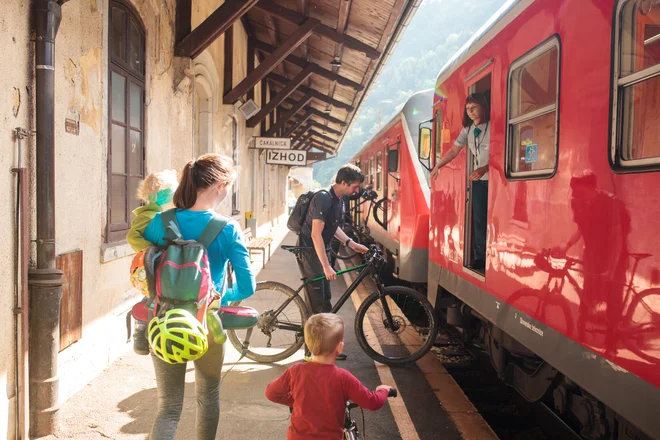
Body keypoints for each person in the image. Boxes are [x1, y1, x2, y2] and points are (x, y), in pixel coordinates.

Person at [141, 153, 256, 440]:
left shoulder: (160, 222)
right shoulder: (228, 228)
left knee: (167, 406)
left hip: (165, 323)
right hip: (208, 326)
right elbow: (247, 286)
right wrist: (217, 299)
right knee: (207, 396)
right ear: (220, 186)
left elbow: (144, 268)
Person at [265, 314, 392, 440]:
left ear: (308, 344)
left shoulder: (296, 371)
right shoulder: (343, 378)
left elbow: (271, 393)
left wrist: (296, 401)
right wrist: (383, 390)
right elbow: (372, 402)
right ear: (340, 348)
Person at [298, 164, 369, 359]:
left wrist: (351, 243)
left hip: (321, 250)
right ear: (343, 183)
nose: (356, 191)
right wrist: (326, 265)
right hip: (311, 252)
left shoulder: (339, 199)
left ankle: (325, 349)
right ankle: (311, 352)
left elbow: (333, 227)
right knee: (318, 304)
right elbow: (315, 234)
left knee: (324, 301)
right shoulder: (323, 198)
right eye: (354, 186)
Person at [430, 93, 490, 270]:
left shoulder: (494, 126)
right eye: (468, 109)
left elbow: (501, 153)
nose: (471, 112)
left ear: (483, 107)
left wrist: (484, 168)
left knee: (492, 220)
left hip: (494, 180)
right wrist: (438, 166)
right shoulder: (468, 130)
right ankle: (480, 257)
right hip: (479, 182)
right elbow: (453, 151)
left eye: (474, 108)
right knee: (478, 219)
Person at [126, 169, 179, 355]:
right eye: (168, 191)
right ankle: (140, 331)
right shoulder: (147, 216)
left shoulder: (156, 214)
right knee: (152, 294)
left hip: (154, 262)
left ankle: (143, 331)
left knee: (155, 294)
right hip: (151, 263)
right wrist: (151, 249)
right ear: (157, 193)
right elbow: (133, 236)